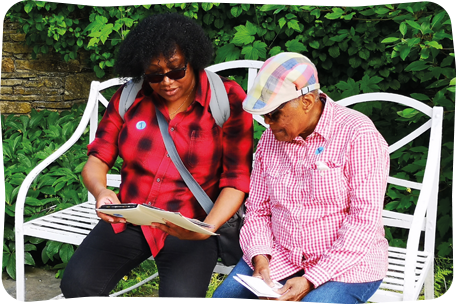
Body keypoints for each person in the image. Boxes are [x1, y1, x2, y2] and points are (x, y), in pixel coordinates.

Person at [60, 13, 253, 304]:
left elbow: (237, 179)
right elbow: (98, 159)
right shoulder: (130, 97)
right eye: (154, 75)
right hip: (131, 217)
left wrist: (207, 229)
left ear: (192, 59)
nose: (166, 82)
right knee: (77, 286)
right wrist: (101, 192)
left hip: (191, 225)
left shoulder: (225, 98)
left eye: (176, 71)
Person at [210, 52, 389, 304]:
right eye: (264, 115)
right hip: (281, 254)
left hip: (347, 264)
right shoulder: (269, 140)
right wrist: (260, 258)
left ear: (306, 101)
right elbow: (258, 211)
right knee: (222, 302)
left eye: (274, 113)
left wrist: (311, 279)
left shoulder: (358, 135)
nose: (266, 122)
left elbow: (364, 223)